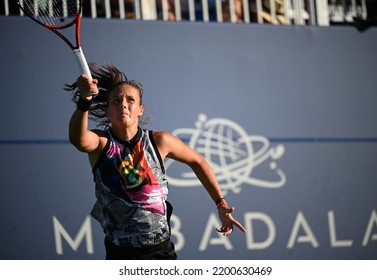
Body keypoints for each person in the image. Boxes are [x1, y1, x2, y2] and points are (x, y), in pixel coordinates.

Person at [65, 63, 246, 260]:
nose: (123, 104)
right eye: (116, 100)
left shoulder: (159, 141)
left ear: (140, 109)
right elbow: (79, 140)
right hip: (119, 253)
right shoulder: (101, 142)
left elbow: (198, 162)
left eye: (130, 100)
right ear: (108, 110)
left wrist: (221, 204)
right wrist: (85, 101)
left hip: (160, 251)